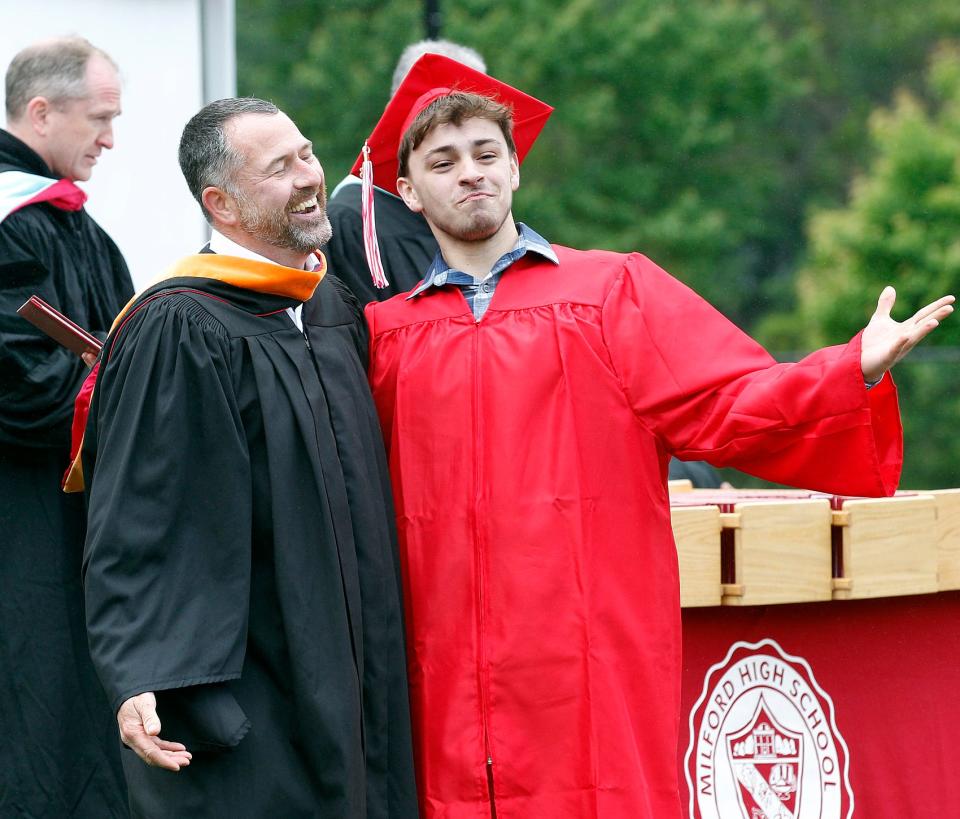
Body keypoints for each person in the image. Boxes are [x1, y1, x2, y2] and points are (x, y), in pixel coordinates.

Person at [356, 55, 955, 818]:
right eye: (442, 161)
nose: (469, 173)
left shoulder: (611, 292)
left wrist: (849, 370)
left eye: (485, 154)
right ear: (407, 190)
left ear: (515, 168)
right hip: (438, 670)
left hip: (588, 660)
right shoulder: (383, 335)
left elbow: (731, 399)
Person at [76, 98, 417, 817]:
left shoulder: (330, 306)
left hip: (354, 658)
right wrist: (139, 668)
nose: (308, 177)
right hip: (256, 664)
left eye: (305, 154)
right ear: (220, 204)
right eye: (279, 168)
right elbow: (139, 509)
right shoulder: (180, 325)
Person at [0, 37, 132, 818]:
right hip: (21, 522)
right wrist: (126, 399)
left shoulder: (73, 226)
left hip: (70, 521)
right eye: (100, 118)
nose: (111, 139)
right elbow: (18, 383)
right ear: (41, 111)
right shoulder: (14, 226)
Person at [322, 39, 485, 305]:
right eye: (433, 110)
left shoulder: (482, 204)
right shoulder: (355, 221)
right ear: (393, 114)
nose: (454, 127)